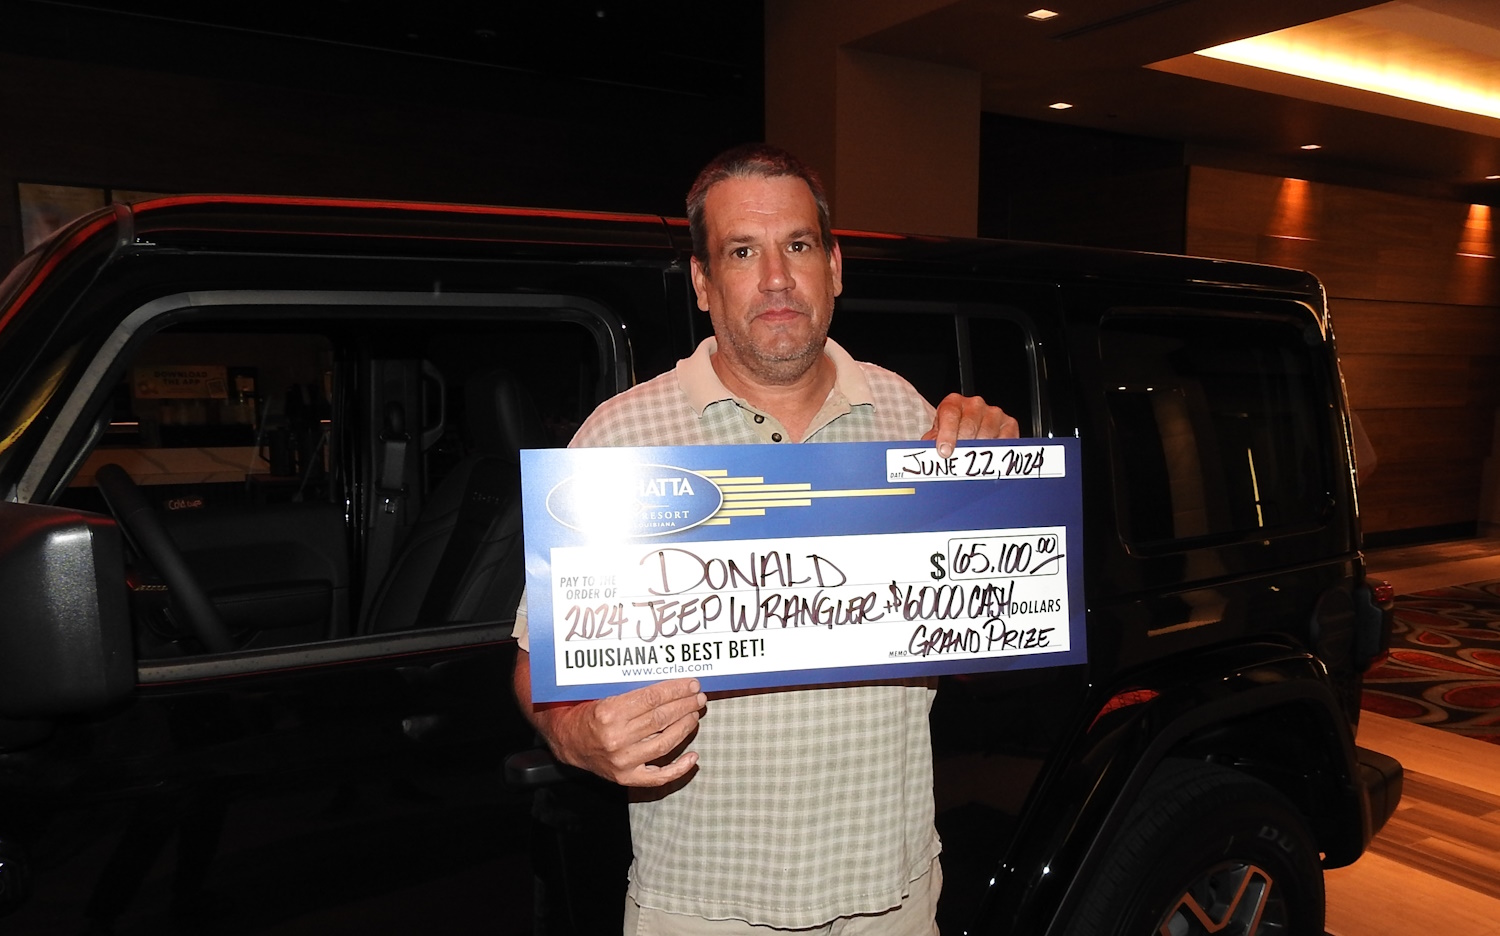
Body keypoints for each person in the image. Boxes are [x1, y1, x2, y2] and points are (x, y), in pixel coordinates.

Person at [513, 143, 1019, 934]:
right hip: (702, 909)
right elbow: (537, 664)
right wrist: (574, 733)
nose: (777, 278)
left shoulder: (915, 421)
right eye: (743, 252)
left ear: (834, 267)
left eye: (799, 246)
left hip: (891, 898)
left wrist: (1003, 491)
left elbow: (980, 646)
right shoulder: (619, 441)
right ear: (703, 283)